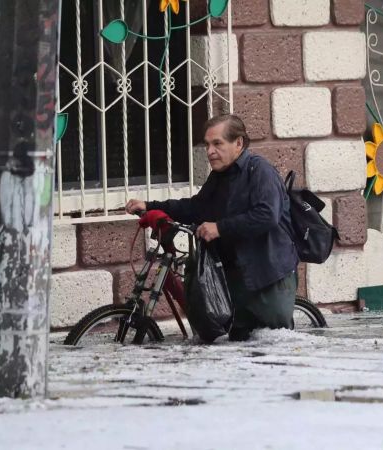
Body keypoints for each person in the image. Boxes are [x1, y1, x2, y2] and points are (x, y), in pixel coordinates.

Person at [125, 114, 298, 341]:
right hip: (235, 278)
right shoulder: (219, 176)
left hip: (267, 276)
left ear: (238, 143)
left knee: (275, 346)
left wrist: (220, 228)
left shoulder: (260, 171)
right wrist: (150, 206)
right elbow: (196, 208)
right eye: (207, 144)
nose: (210, 151)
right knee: (239, 347)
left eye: (217, 143)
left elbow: (267, 216)